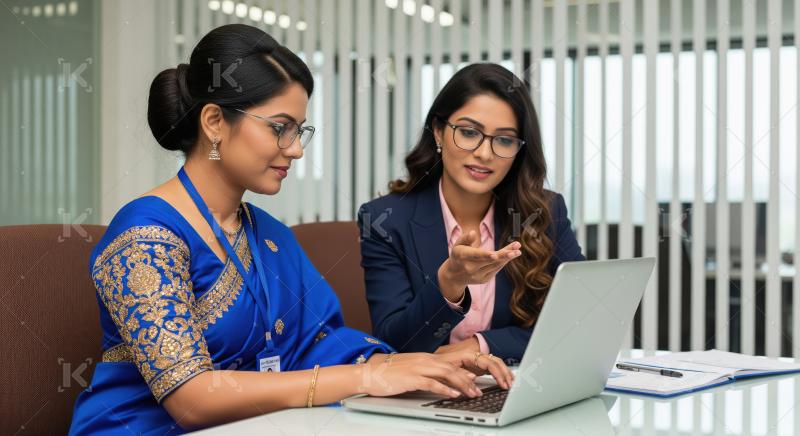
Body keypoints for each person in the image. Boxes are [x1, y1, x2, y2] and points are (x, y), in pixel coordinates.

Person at [68, 25, 512, 435]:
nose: (296, 149)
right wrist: (367, 376)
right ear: (215, 123)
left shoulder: (269, 234)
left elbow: (320, 344)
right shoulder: (144, 236)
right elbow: (192, 399)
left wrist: (421, 363)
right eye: (280, 128)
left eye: (300, 131)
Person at [359, 63, 585, 365]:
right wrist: (448, 284)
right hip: (423, 398)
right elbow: (396, 345)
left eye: (504, 139)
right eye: (468, 132)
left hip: (517, 391)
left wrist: (480, 345)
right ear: (438, 132)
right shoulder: (385, 220)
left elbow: (579, 320)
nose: (485, 153)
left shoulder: (544, 212)